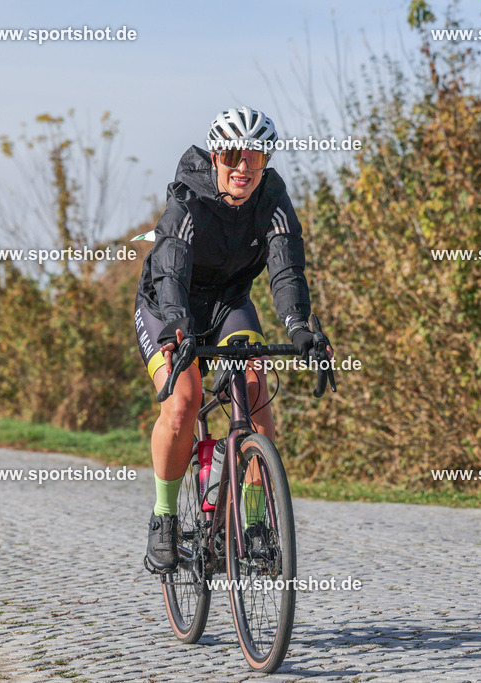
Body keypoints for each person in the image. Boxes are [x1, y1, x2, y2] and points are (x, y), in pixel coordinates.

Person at [134, 106, 329, 572]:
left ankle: (256, 523)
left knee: (257, 391)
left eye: (256, 157)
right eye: (232, 155)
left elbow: (286, 269)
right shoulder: (189, 196)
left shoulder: (273, 199)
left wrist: (300, 328)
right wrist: (178, 325)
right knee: (183, 401)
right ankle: (163, 518)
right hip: (167, 305)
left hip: (228, 305)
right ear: (215, 156)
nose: (244, 166)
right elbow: (172, 265)